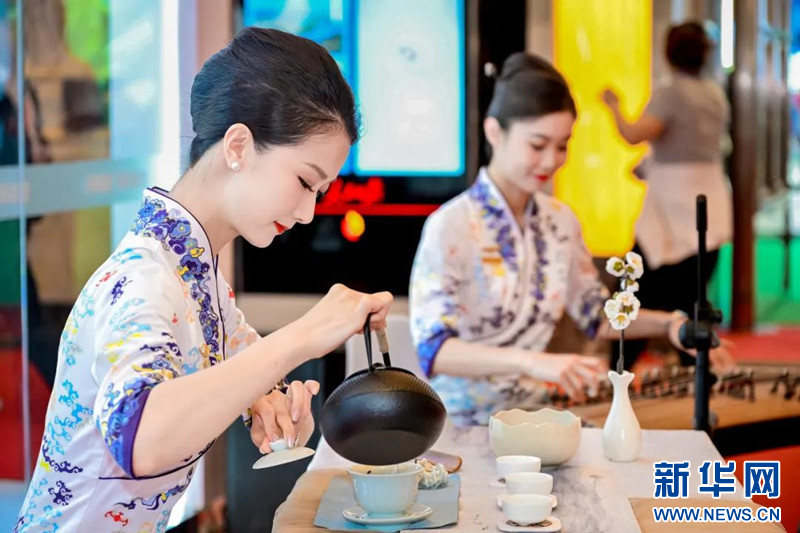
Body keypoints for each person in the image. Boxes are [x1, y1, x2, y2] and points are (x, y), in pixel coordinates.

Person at [14, 28, 393, 533]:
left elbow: (251, 382)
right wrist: (301, 336)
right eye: (305, 182)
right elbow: (141, 439)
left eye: (319, 192)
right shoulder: (144, 277)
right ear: (238, 145)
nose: (308, 212)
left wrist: (278, 408)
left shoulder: (204, 283)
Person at [409, 52, 733, 427]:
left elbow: (596, 315)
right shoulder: (450, 225)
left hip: (534, 415)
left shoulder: (560, 222)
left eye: (562, 145)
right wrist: (533, 362)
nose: (551, 161)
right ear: (494, 133)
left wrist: (672, 324)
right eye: (537, 145)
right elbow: (434, 350)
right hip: (459, 424)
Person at [602, 21, 732, 367]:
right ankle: (699, 376)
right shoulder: (714, 93)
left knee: (632, 291)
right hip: (710, 201)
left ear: (668, 53)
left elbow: (634, 134)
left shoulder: (672, 92)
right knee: (690, 297)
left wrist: (613, 105)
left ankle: (618, 373)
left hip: (673, 208)